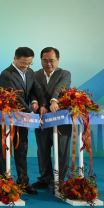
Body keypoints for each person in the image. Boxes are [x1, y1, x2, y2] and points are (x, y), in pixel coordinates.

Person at [0, 47, 39, 194]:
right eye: (23, 63)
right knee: (5, 150)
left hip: (23, 119)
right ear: (15, 58)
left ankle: (23, 182)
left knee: (22, 149)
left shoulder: (30, 72)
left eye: (29, 63)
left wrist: (35, 101)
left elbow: (34, 89)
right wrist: (30, 114)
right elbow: (14, 96)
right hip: (8, 118)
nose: (26, 66)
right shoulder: (6, 74)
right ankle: (3, 183)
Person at [31, 47, 72, 191]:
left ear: (58, 60)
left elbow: (61, 87)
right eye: (45, 60)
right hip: (42, 117)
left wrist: (54, 100)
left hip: (60, 118)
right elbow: (32, 91)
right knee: (42, 149)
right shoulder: (35, 74)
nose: (48, 64)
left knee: (62, 150)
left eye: (51, 60)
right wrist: (34, 102)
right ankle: (44, 179)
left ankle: (59, 180)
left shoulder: (65, 73)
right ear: (41, 60)